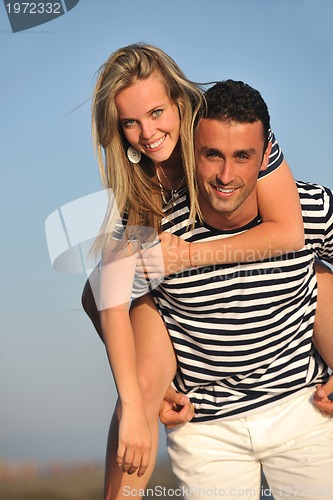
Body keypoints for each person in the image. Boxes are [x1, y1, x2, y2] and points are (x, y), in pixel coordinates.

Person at [80, 43, 329, 498]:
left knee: (320, 275)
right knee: (135, 379)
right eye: (130, 123)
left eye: (156, 112)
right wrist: (143, 397)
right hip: (191, 372)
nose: (147, 133)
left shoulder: (227, 132)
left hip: (292, 387)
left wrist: (187, 256)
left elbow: (290, 231)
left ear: (181, 102)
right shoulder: (144, 197)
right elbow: (103, 298)